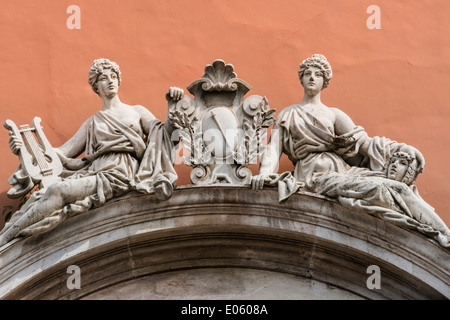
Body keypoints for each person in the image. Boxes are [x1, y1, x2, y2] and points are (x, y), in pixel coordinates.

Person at [252, 54, 450, 247]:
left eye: (317, 74)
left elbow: (365, 143)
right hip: (316, 177)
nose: (312, 78)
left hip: (343, 172)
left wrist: (404, 149)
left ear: (324, 82)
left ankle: (444, 235)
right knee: (381, 189)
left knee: (400, 188)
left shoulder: (333, 115)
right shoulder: (288, 113)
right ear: (301, 79)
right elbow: (273, 148)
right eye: (308, 74)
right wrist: (264, 174)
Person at [0, 58, 182, 246]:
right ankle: (8, 236)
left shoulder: (136, 112)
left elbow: (163, 137)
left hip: (122, 174)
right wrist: (24, 150)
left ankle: (5, 239)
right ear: (96, 86)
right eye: (104, 78)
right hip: (98, 172)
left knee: (57, 190)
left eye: (113, 76)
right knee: (46, 194)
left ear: (119, 80)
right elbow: (60, 154)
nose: (110, 81)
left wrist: (172, 107)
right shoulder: (93, 122)